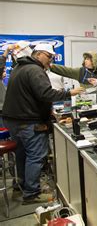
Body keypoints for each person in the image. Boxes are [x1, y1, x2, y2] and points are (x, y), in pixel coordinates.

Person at [2, 44, 84, 203]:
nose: (51, 60)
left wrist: (49, 112)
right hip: (28, 122)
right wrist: (70, 93)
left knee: (22, 155)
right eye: (49, 56)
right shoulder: (35, 70)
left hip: (15, 121)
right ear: (38, 54)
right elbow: (45, 94)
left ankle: (22, 186)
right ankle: (32, 193)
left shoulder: (20, 67)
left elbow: (33, 96)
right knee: (36, 156)